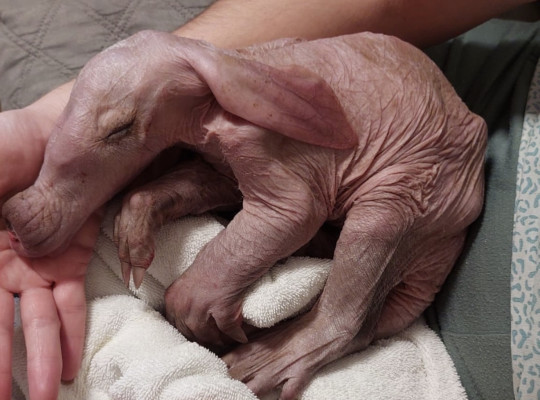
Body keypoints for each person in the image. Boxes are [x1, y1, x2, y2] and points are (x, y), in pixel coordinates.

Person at [0, 0, 535, 399]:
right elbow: (238, 181)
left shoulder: (241, 125)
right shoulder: (211, 114)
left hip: (424, 177)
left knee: (375, 219)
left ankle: (333, 329)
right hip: (422, 131)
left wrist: (203, 285)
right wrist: (59, 133)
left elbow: (289, 207)